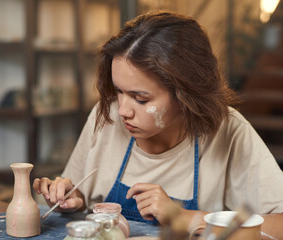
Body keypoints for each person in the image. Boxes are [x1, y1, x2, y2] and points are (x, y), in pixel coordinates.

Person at [33, 10, 283, 239]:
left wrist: (187, 218)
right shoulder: (106, 114)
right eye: (119, 91)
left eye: (141, 99)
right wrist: (71, 198)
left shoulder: (228, 131)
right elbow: (75, 191)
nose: (123, 111)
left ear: (187, 94)